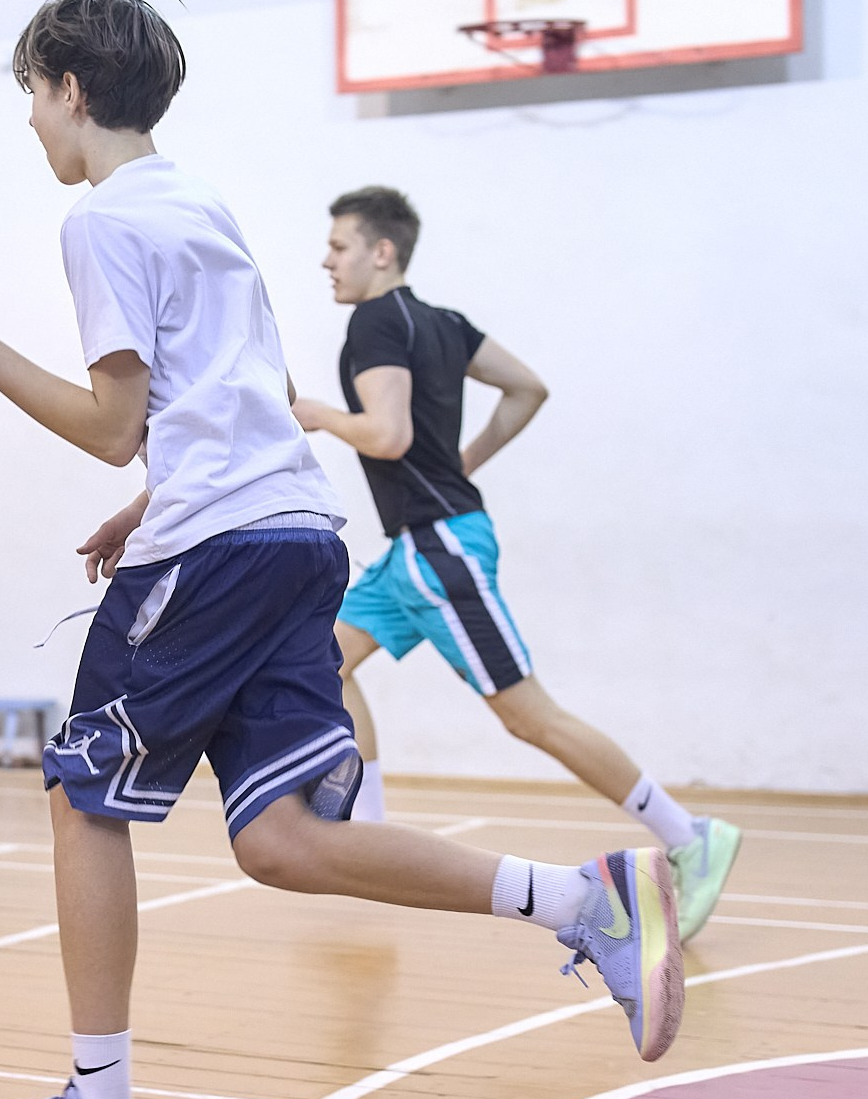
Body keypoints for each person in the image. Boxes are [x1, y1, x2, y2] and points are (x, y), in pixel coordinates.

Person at [0, 0, 683, 1099]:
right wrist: (162, 497)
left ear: (71, 90)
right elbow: (239, 389)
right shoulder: (201, 199)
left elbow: (109, 423)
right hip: (294, 532)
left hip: (221, 547)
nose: (30, 123)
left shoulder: (101, 223)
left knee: (84, 801)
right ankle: (581, 899)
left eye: (31, 94)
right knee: (284, 839)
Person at [292, 186, 741, 941]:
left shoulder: (374, 321)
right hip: (421, 545)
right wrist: (462, 464)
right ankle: (365, 831)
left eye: (338, 247)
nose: (325, 260)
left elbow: (390, 435)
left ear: (382, 251)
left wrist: (319, 415)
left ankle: (691, 837)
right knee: (320, 660)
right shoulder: (444, 324)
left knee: (529, 716)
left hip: (440, 549)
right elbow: (528, 388)